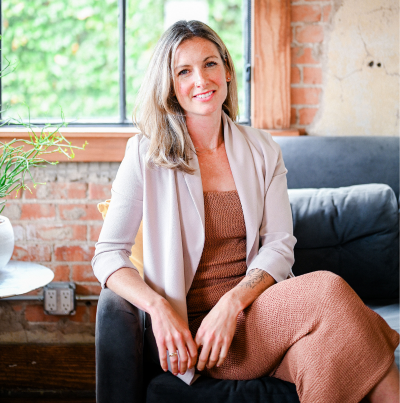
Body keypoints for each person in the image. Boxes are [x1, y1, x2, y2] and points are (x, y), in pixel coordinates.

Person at [92, 20, 399, 403]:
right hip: (202, 335)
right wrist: (158, 308)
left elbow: (279, 245)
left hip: (255, 311)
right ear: (169, 85)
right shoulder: (145, 154)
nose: (201, 79)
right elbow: (108, 254)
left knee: (352, 361)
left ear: (228, 71)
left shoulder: (261, 148)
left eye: (209, 64)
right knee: (327, 288)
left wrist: (232, 303)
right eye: (183, 71)